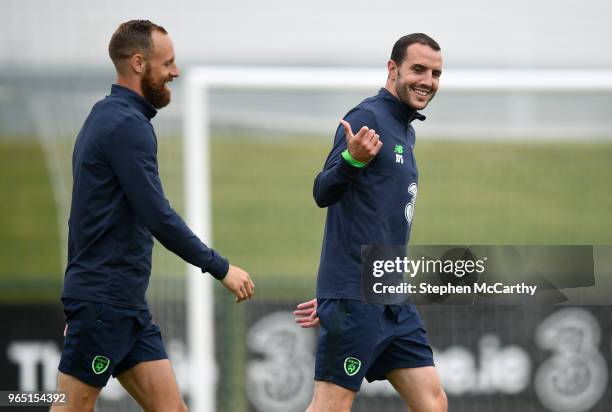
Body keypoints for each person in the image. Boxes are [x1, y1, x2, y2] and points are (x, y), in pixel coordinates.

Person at [51, 20, 254, 412]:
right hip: (104, 303)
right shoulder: (126, 125)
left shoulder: (109, 116)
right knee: (69, 407)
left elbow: (83, 218)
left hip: (124, 306)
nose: (175, 72)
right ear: (140, 63)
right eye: (168, 63)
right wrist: (220, 268)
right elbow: (158, 216)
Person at [294, 33, 447, 412]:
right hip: (356, 296)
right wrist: (352, 160)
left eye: (435, 73)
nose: (427, 80)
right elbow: (322, 191)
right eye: (418, 69)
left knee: (433, 401)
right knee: (330, 405)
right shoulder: (367, 117)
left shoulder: (404, 131)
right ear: (392, 68)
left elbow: (374, 216)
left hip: (389, 296)